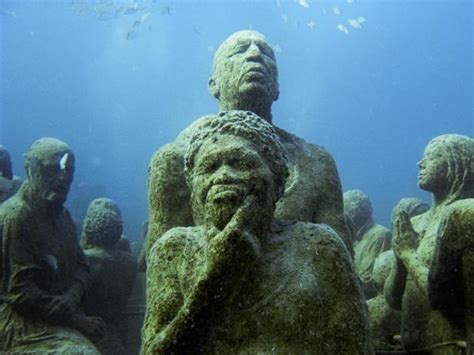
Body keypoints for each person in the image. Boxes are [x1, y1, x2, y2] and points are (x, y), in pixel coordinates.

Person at [142, 111, 371, 354]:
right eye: (209, 167)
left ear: (278, 181)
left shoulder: (320, 246)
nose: (223, 175)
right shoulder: (174, 250)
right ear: (193, 186)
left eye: (242, 163)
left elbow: (354, 345)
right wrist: (217, 278)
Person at [140, 30, 349, 269]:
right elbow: (163, 269)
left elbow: (339, 264)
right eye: (239, 50)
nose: (254, 54)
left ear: (277, 88)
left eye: (266, 53)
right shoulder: (176, 159)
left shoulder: (316, 161)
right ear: (213, 84)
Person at [0, 137, 104, 353]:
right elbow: (20, 292)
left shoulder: (63, 216)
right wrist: (74, 318)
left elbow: (83, 266)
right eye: (53, 169)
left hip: (56, 315)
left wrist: (71, 297)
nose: (63, 178)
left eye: (68, 170)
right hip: (21, 325)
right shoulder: (17, 216)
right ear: (31, 169)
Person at [385, 134, 474, 354]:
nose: (420, 163)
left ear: (457, 165)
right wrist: (399, 257)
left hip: (451, 347)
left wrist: (407, 254)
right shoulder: (416, 223)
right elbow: (393, 300)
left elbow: (443, 298)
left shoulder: (464, 218)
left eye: (431, 156)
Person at [81, 198, 137, 355]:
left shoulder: (88, 259)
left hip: (92, 328)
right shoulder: (130, 261)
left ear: (89, 227)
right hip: (119, 323)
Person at [343, 189, 391, 299]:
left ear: (355, 210)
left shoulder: (380, 235)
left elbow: (367, 280)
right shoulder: (353, 238)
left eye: (343, 209)